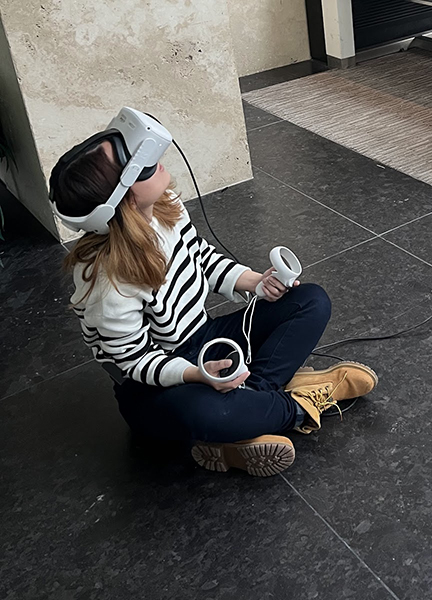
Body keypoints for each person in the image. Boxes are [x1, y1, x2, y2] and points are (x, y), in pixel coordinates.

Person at [50, 133, 377, 477]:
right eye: (136, 165)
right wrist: (198, 376)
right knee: (206, 413)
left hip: (203, 337)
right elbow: (134, 361)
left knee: (311, 301)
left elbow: (202, 259)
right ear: (122, 200)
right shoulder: (105, 280)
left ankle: (246, 412)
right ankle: (296, 407)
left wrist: (256, 282)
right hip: (151, 386)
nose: (151, 158)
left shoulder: (165, 205)